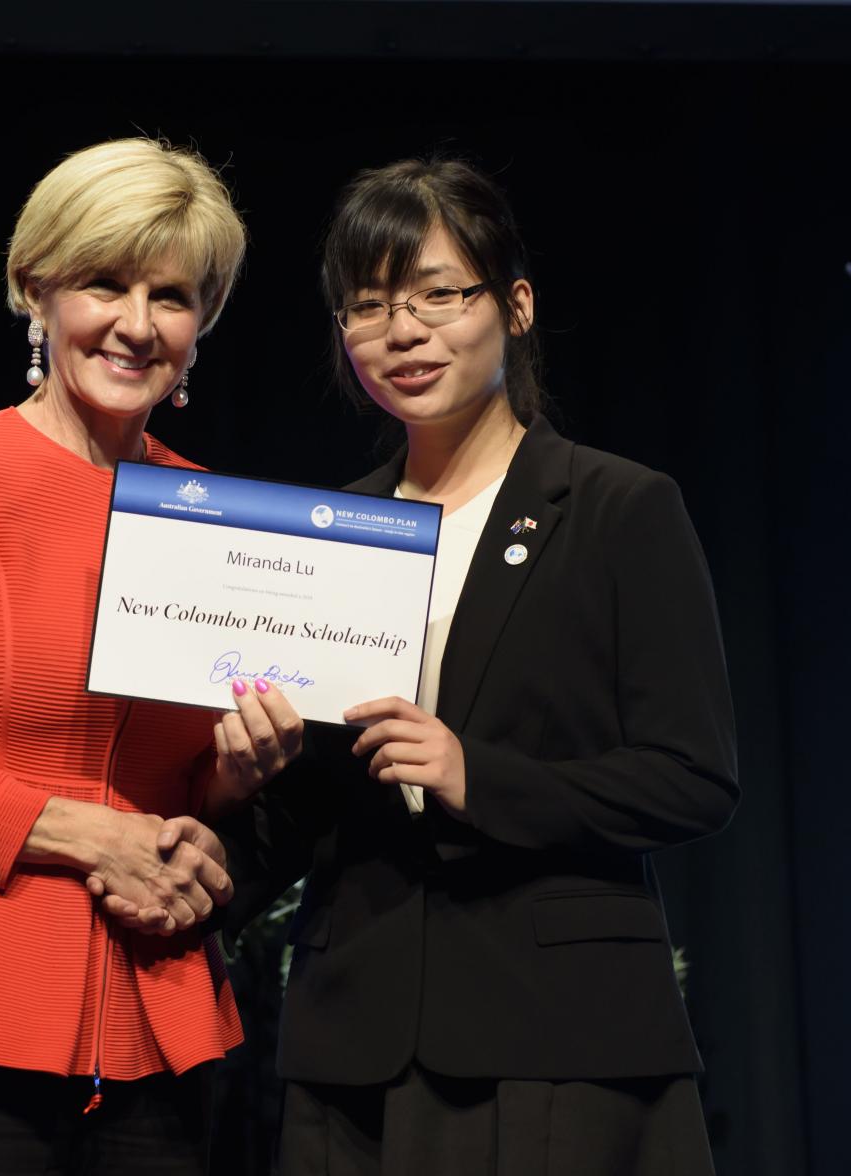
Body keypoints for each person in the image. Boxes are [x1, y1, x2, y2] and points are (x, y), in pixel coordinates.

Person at [217, 157, 739, 1175]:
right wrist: (222, 836)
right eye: (366, 306)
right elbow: (319, 803)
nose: (402, 331)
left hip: (557, 1041)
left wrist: (476, 775)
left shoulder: (620, 508)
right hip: (354, 1043)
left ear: (517, 304)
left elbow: (693, 776)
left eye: (439, 295)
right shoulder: (336, 533)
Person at [0, 137, 303, 1176]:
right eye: (103, 282)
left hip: (153, 1017)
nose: (136, 322)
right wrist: (90, 837)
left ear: (202, 324)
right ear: (37, 290)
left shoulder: (213, 514)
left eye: (171, 295)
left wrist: (228, 782)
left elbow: (171, 786)